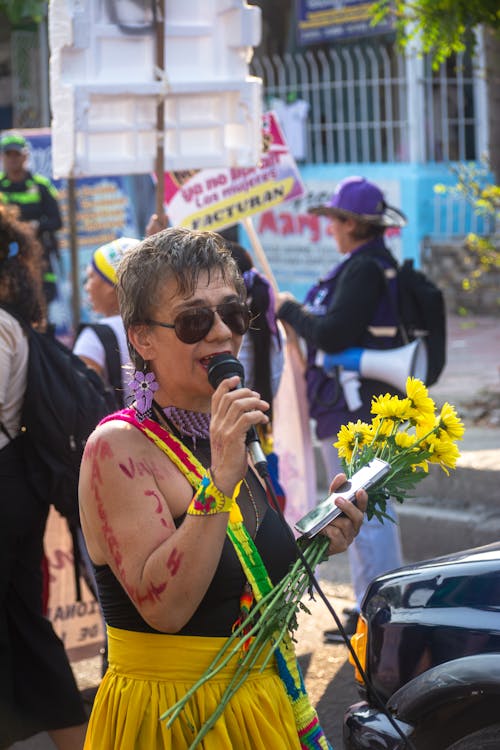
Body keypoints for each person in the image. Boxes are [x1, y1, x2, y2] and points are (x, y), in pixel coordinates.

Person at [78, 226, 367, 749]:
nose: (220, 334)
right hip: (171, 718)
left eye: (232, 313)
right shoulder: (117, 448)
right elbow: (165, 609)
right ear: (142, 338)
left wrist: (319, 539)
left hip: (257, 709)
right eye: (193, 320)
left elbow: (243, 582)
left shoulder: (230, 437)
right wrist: (220, 481)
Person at [276, 176, 405, 641]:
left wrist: (289, 310)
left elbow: (332, 333)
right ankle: (374, 610)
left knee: (362, 515)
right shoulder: (368, 265)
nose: (330, 228)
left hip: (356, 413)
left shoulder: (364, 269)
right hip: (356, 408)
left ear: (351, 223)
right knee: (364, 515)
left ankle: (380, 617)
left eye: (334, 220)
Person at [0, 203, 87, 748]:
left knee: (24, 623)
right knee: (24, 625)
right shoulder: (13, 325)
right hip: (14, 488)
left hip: (5, 487)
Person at [73, 236, 139, 405]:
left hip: (120, 429)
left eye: (91, 277)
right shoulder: (163, 326)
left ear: (112, 284)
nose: (87, 286)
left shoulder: (93, 338)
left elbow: (80, 402)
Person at [0, 131, 63, 308]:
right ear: (2, 157)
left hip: (39, 256)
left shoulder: (41, 185)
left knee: (42, 302)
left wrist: (36, 226)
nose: (13, 159)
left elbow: (57, 221)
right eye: (8, 154)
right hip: (6, 256)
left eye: (17, 154)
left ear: (25, 156)